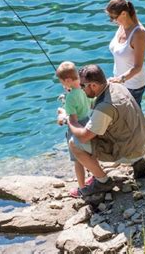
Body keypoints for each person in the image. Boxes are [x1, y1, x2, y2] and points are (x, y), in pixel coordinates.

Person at [63, 64, 145, 196]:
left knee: (74, 143)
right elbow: (95, 104)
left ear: (93, 85)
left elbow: (83, 137)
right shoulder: (117, 86)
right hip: (144, 142)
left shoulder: (105, 107)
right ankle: (139, 161)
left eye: (82, 86)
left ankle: (102, 181)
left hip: (132, 151)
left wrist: (70, 119)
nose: (80, 89)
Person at [105, 0, 145, 177]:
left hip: (133, 83)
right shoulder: (121, 27)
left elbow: (138, 66)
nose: (112, 21)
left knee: (133, 122)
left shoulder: (139, 33)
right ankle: (138, 156)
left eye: (113, 17)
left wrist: (121, 79)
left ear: (124, 14)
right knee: (130, 121)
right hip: (120, 82)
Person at [55, 61, 94, 197]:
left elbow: (72, 119)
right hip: (88, 123)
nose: (62, 85)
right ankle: (95, 177)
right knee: (89, 155)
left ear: (67, 80)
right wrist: (71, 91)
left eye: (62, 82)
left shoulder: (71, 98)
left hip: (76, 129)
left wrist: (61, 115)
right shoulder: (84, 89)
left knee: (78, 160)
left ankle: (82, 188)